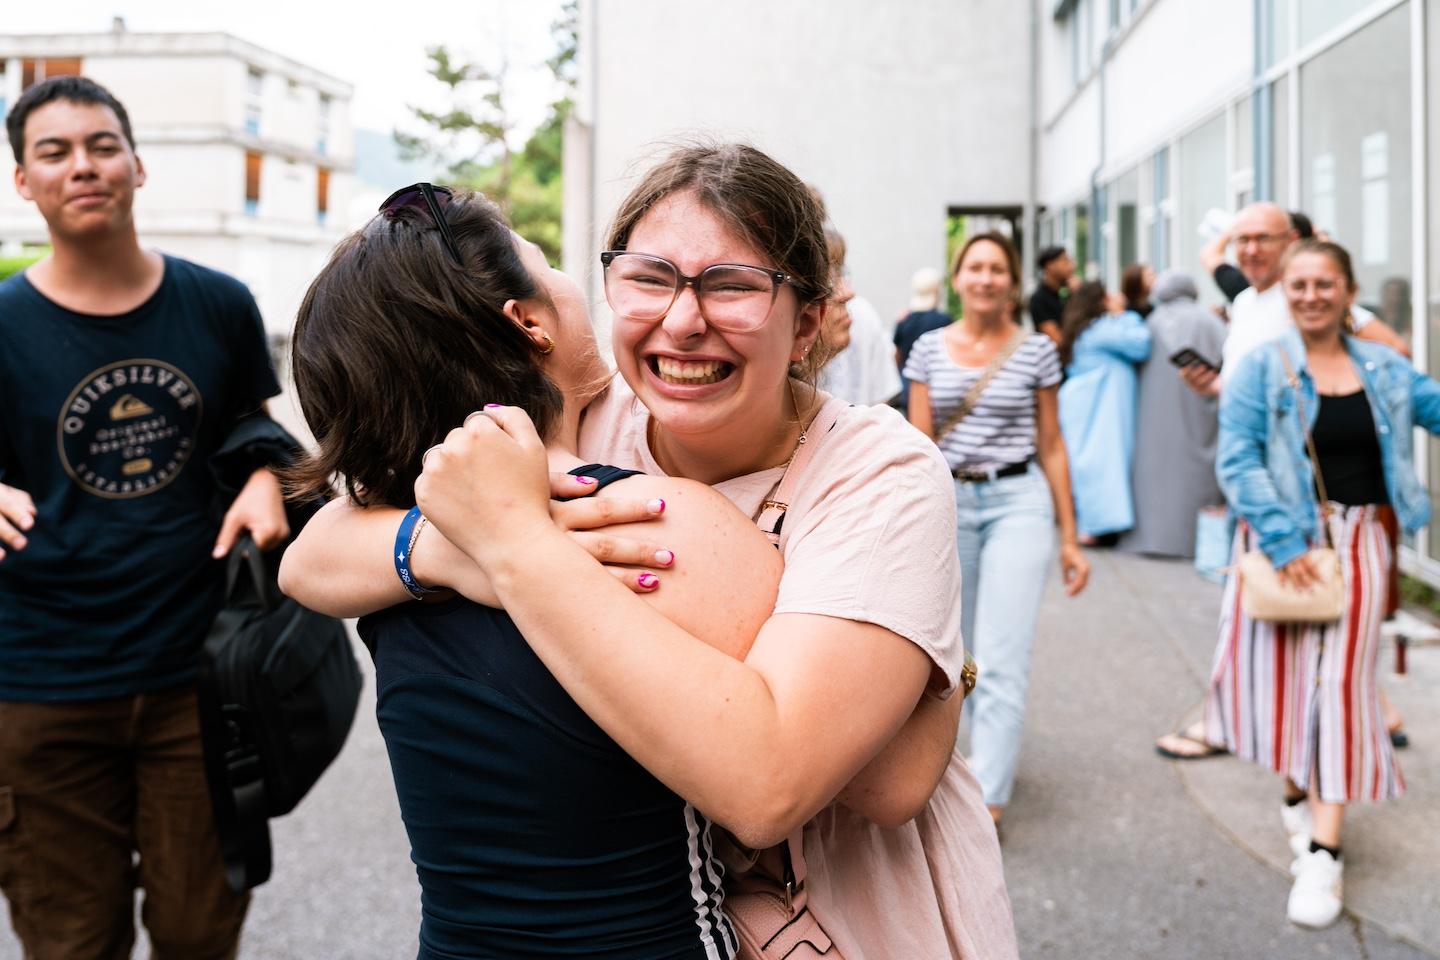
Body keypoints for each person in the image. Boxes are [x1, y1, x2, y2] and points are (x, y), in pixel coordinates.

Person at [283, 145, 1018, 959]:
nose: (682, 320)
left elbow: (890, 779)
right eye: (648, 277)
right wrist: (463, 547)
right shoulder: (577, 448)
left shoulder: (873, 468)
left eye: (732, 284)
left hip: (860, 917)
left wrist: (511, 542)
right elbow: (309, 555)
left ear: (809, 321)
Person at [286, 184, 797, 958]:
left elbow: (305, 558)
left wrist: (475, 544)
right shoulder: (646, 523)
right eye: (547, 265)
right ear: (529, 324)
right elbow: (854, 760)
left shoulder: (385, 547)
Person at [0, 76, 288, 957]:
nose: (82, 166)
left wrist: (272, 476)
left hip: (198, 681)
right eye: (54, 152)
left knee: (201, 936)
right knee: (70, 945)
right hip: (36, 691)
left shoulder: (219, 304)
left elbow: (254, 428)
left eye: (101, 145)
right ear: (23, 181)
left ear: (137, 165)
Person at [1202, 239, 1440, 928]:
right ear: (1285, 291)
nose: (1310, 295)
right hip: (1287, 545)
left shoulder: (1383, 367)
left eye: (1324, 283)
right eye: (1298, 284)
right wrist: (1281, 540)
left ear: (1348, 290)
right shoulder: (1261, 368)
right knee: (1291, 684)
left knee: (1340, 685)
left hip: (1363, 543)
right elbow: (1238, 459)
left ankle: (1323, 851)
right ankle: (1297, 793)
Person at [903, 231, 1090, 827]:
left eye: (997, 269)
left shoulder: (1037, 350)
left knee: (1005, 655)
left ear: (1012, 281)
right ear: (958, 278)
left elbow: (1053, 445)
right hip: (948, 502)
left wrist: (1069, 535)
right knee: (950, 653)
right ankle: (950, 770)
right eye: (975, 267)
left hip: (1019, 502)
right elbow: (918, 447)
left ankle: (988, 801)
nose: (985, 278)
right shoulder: (928, 348)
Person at [1121, 270, 1226, 557]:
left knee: (1155, 477)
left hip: (1152, 420)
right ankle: (1198, 541)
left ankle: (1154, 537)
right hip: (1199, 415)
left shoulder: (1151, 322)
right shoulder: (1208, 321)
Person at [1057, 281, 1152, 541]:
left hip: (1085, 405)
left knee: (1087, 463)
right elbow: (1140, 343)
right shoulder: (1102, 330)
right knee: (1101, 463)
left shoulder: (1083, 331)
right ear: (1100, 302)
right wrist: (1125, 314)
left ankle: (1092, 524)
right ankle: (1095, 527)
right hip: (1098, 408)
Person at [816, 226, 900, 406]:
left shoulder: (863, 314)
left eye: (842, 271)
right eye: (828, 278)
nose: (847, 293)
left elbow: (882, 402)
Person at [892, 267, 952, 416]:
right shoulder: (944, 321)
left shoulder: (904, 320)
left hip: (907, 389)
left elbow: (897, 357)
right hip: (937, 389)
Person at [1028, 244, 1074, 342]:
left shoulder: (1065, 293)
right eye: (1065, 261)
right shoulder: (1039, 299)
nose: (1071, 266)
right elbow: (1058, 341)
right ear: (1050, 265)